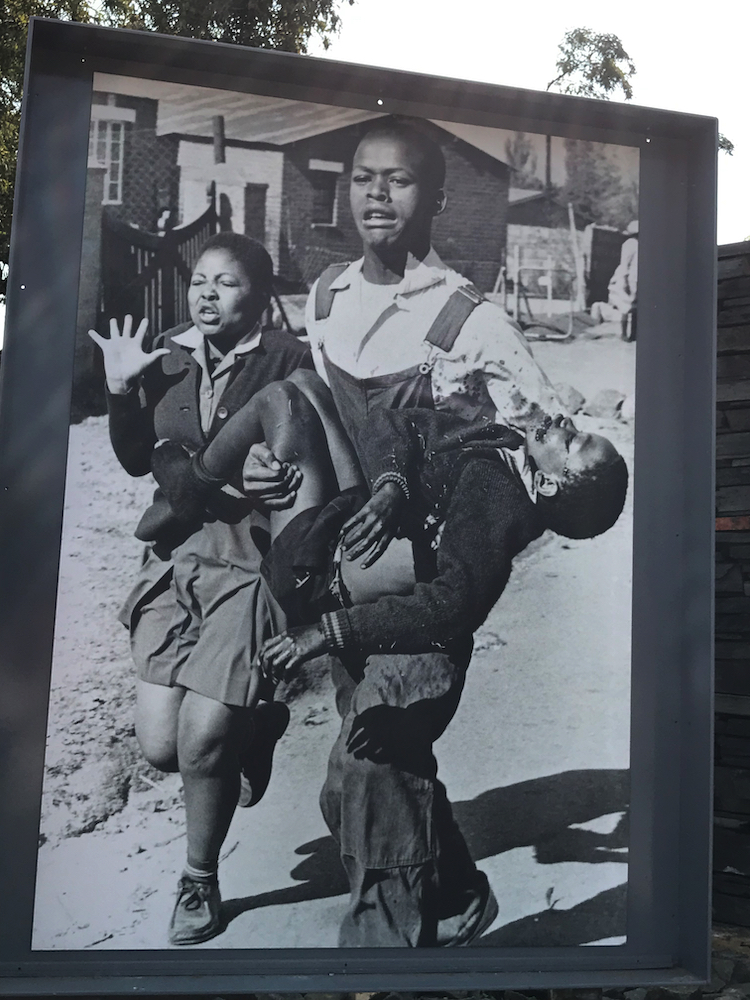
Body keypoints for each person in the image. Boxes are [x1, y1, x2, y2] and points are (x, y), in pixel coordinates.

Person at [239, 116, 586, 947]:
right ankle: (459, 892)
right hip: (340, 565)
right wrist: (261, 468)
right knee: (371, 779)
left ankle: (381, 958)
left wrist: (460, 543)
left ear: (433, 195)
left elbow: (535, 457)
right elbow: (311, 426)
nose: (377, 195)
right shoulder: (323, 297)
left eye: (397, 180)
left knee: (367, 768)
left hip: (421, 587)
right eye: (363, 177)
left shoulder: (473, 320)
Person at [88, 232, 313, 947]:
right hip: (174, 551)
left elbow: (308, 468)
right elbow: (135, 459)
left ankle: (200, 881)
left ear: (261, 295)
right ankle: (258, 727)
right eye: (200, 282)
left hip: (250, 559)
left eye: (228, 283)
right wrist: (122, 388)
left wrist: (272, 476)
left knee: (203, 737)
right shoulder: (168, 350)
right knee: (160, 747)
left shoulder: (290, 361)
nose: (207, 295)